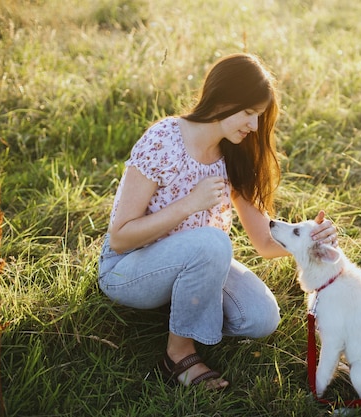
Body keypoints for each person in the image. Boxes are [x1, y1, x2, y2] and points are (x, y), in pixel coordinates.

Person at [98, 53, 338, 390]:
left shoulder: (234, 154)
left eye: (259, 116)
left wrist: (311, 240)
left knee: (261, 318)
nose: (254, 126)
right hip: (127, 269)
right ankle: (178, 355)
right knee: (212, 242)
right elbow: (120, 238)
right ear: (223, 100)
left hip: (197, 260)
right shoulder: (164, 140)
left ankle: (183, 311)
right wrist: (189, 205)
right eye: (249, 113)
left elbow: (265, 243)